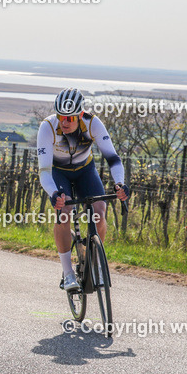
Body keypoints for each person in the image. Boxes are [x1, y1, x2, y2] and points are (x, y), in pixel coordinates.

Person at [37, 88, 129, 291]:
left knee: (99, 212)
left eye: (70, 118)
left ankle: (95, 264)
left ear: (80, 115)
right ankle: (68, 273)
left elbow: (113, 158)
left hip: (85, 171)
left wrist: (120, 183)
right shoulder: (47, 127)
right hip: (58, 172)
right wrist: (54, 194)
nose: (64, 122)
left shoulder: (92, 123)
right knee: (64, 213)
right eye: (61, 116)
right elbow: (44, 171)